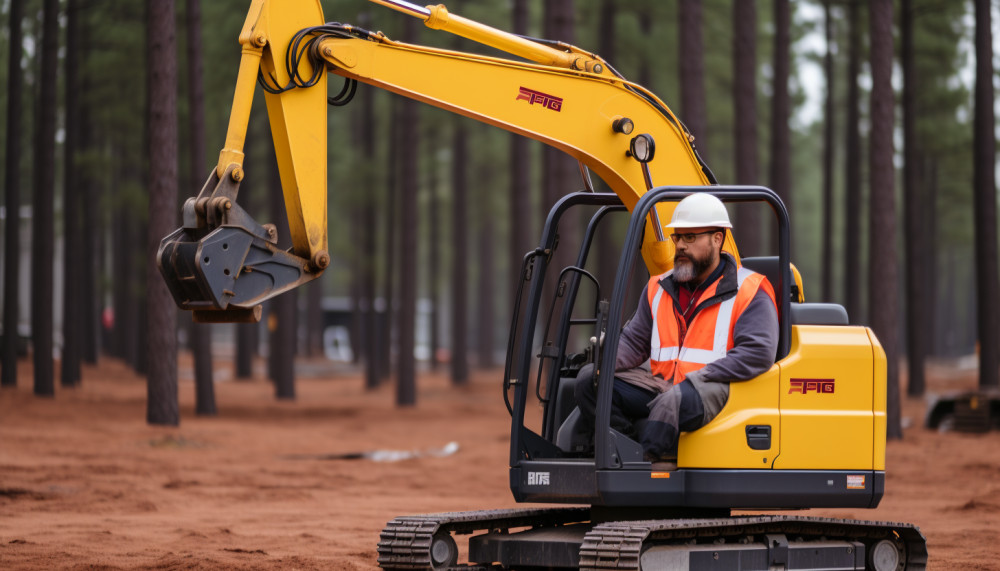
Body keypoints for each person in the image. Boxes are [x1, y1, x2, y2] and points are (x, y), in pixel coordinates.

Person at [575, 192, 778, 469]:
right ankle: (624, 453)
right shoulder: (658, 287)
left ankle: (648, 466)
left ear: (717, 239)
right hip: (662, 384)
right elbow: (634, 342)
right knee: (591, 380)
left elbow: (757, 353)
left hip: (715, 385)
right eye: (677, 237)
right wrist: (604, 360)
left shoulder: (750, 290)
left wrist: (701, 376)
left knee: (673, 400)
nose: (680, 246)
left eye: (690, 238)